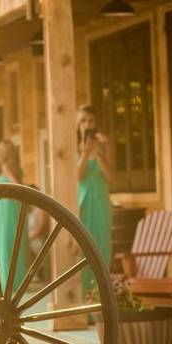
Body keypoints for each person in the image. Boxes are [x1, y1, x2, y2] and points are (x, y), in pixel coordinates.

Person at [76, 105, 113, 297]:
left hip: (101, 204)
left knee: (103, 250)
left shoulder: (105, 145)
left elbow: (110, 176)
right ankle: (87, 307)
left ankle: (102, 303)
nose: (87, 124)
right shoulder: (75, 148)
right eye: (83, 121)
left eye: (91, 120)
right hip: (83, 205)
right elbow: (78, 177)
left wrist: (98, 153)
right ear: (78, 125)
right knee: (85, 254)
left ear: (96, 123)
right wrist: (84, 154)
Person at [0, 140, 29, 294]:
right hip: (1, 210)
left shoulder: (10, 169)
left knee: (11, 243)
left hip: (10, 209)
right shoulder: (1, 170)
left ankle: (12, 281)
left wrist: (7, 173)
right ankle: (4, 281)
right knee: (2, 244)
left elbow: (19, 190)